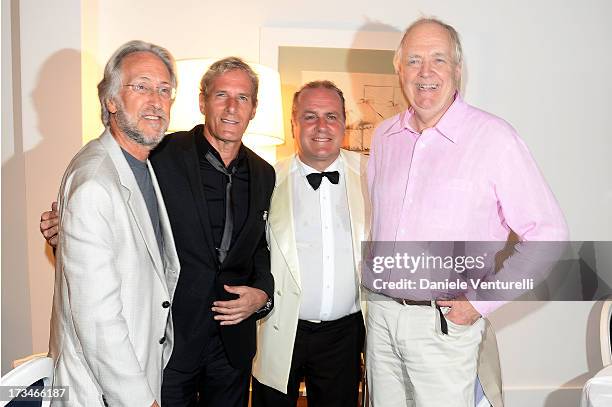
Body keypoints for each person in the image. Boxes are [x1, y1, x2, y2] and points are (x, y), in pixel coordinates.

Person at [41, 57, 275, 407]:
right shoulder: (157, 153)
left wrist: (262, 294)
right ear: (201, 101)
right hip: (169, 342)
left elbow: (259, 247)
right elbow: (117, 222)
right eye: (221, 95)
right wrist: (65, 232)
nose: (231, 107)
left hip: (232, 347)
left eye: (242, 98)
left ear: (254, 108)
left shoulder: (264, 172)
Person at [364, 18, 568, 407]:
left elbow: (548, 232)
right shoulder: (384, 136)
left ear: (458, 70)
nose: (425, 72)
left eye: (438, 60)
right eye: (413, 60)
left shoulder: (493, 137)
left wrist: (481, 302)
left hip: (443, 327)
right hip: (381, 320)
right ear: (398, 69)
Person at [47, 40, 180, 406]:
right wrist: (141, 400)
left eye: (164, 90)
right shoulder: (95, 182)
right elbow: (97, 319)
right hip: (103, 392)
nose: (156, 100)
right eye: (141, 86)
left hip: (136, 376)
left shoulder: (142, 165)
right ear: (110, 101)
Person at [251, 81, 368, 406]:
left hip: (345, 336)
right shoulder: (267, 180)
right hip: (279, 327)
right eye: (310, 116)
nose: (321, 126)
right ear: (294, 124)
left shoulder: (373, 176)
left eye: (331, 116)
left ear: (344, 123)